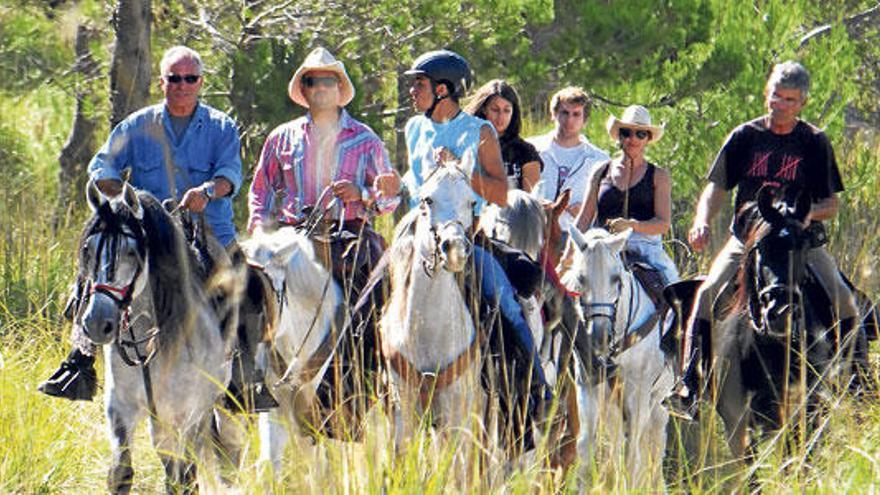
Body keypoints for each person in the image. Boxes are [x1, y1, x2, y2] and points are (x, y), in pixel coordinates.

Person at [39, 46, 278, 412]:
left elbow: (231, 175)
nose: (182, 86)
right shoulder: (137, 125)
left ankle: (244, 379)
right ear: (162, 82)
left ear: (200, 83)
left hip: (207, 231)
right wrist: (118, 190)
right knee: (93, 273)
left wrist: (208, 191)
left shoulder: (221, 126)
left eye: (190, 79)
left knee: (246, 289)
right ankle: (79, 362)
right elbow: (101, 164)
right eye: (174, 78)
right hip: (148, 231)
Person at [671, 61, 857, 415]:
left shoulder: (814, 142)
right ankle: (688, 384)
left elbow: (831, 203)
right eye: (775, 96)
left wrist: (806, 214)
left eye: (789, 99)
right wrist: (701, 220)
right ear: (766, 94)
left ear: (802, 103)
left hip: (799, 241)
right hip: (749, 238)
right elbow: (717, 186)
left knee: (844, 298)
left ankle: (858, 380)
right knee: (707, 293)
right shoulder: (745, 136)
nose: (780, 104)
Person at [247, 47, 401, 414]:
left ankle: (359, 387)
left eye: (327, 81)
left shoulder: (366, 139)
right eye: (311, 81)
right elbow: (260, 190)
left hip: (348, 234)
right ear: (304, 87)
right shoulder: (280, 138)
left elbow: (389, 199)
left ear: (339, 87)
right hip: (291, 234)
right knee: (248, 291)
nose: (319, 87)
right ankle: (249, 379)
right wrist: (258, 232)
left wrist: (361, 194)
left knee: (374, 296)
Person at [402, 49, 550, 408]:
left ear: (442, 89)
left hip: (468, 241)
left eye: (419, 84)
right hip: (416, 241)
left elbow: (500, 194)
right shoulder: (413, 128)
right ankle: (351, 392)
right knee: (364, 298)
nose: (412, 91)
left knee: (507, 305)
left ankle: (535, 391)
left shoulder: (479, 131)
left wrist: (463, 170)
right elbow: (417, 187)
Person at [575, 105, 678, 285]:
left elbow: (663, 224)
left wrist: (631, 225)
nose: (633, 139)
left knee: (675, 292)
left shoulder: (659, 176)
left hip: (646, 249)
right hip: (603, 248)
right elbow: (584, 219)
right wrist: (571, 252)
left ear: (648, 138)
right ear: (620, 136)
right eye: (627, 132)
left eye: (640, 134)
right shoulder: (600, 171)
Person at [527, 86, 609, 216]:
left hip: (577, 232)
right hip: (534, 229)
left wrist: (588, 211)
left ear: (585, 120)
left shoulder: (600, 159)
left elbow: (607, 205)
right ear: (553, 114)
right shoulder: (530, 149)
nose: (570, 120)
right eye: (564, 113)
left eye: (576, 114)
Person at [464, 79, 542, 191]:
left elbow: (532, 200)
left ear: (513, 112)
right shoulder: (464, 144)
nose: (501, 117)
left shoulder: (525, 151)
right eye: (495, 110)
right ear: (484, 109)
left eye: (507, 111)